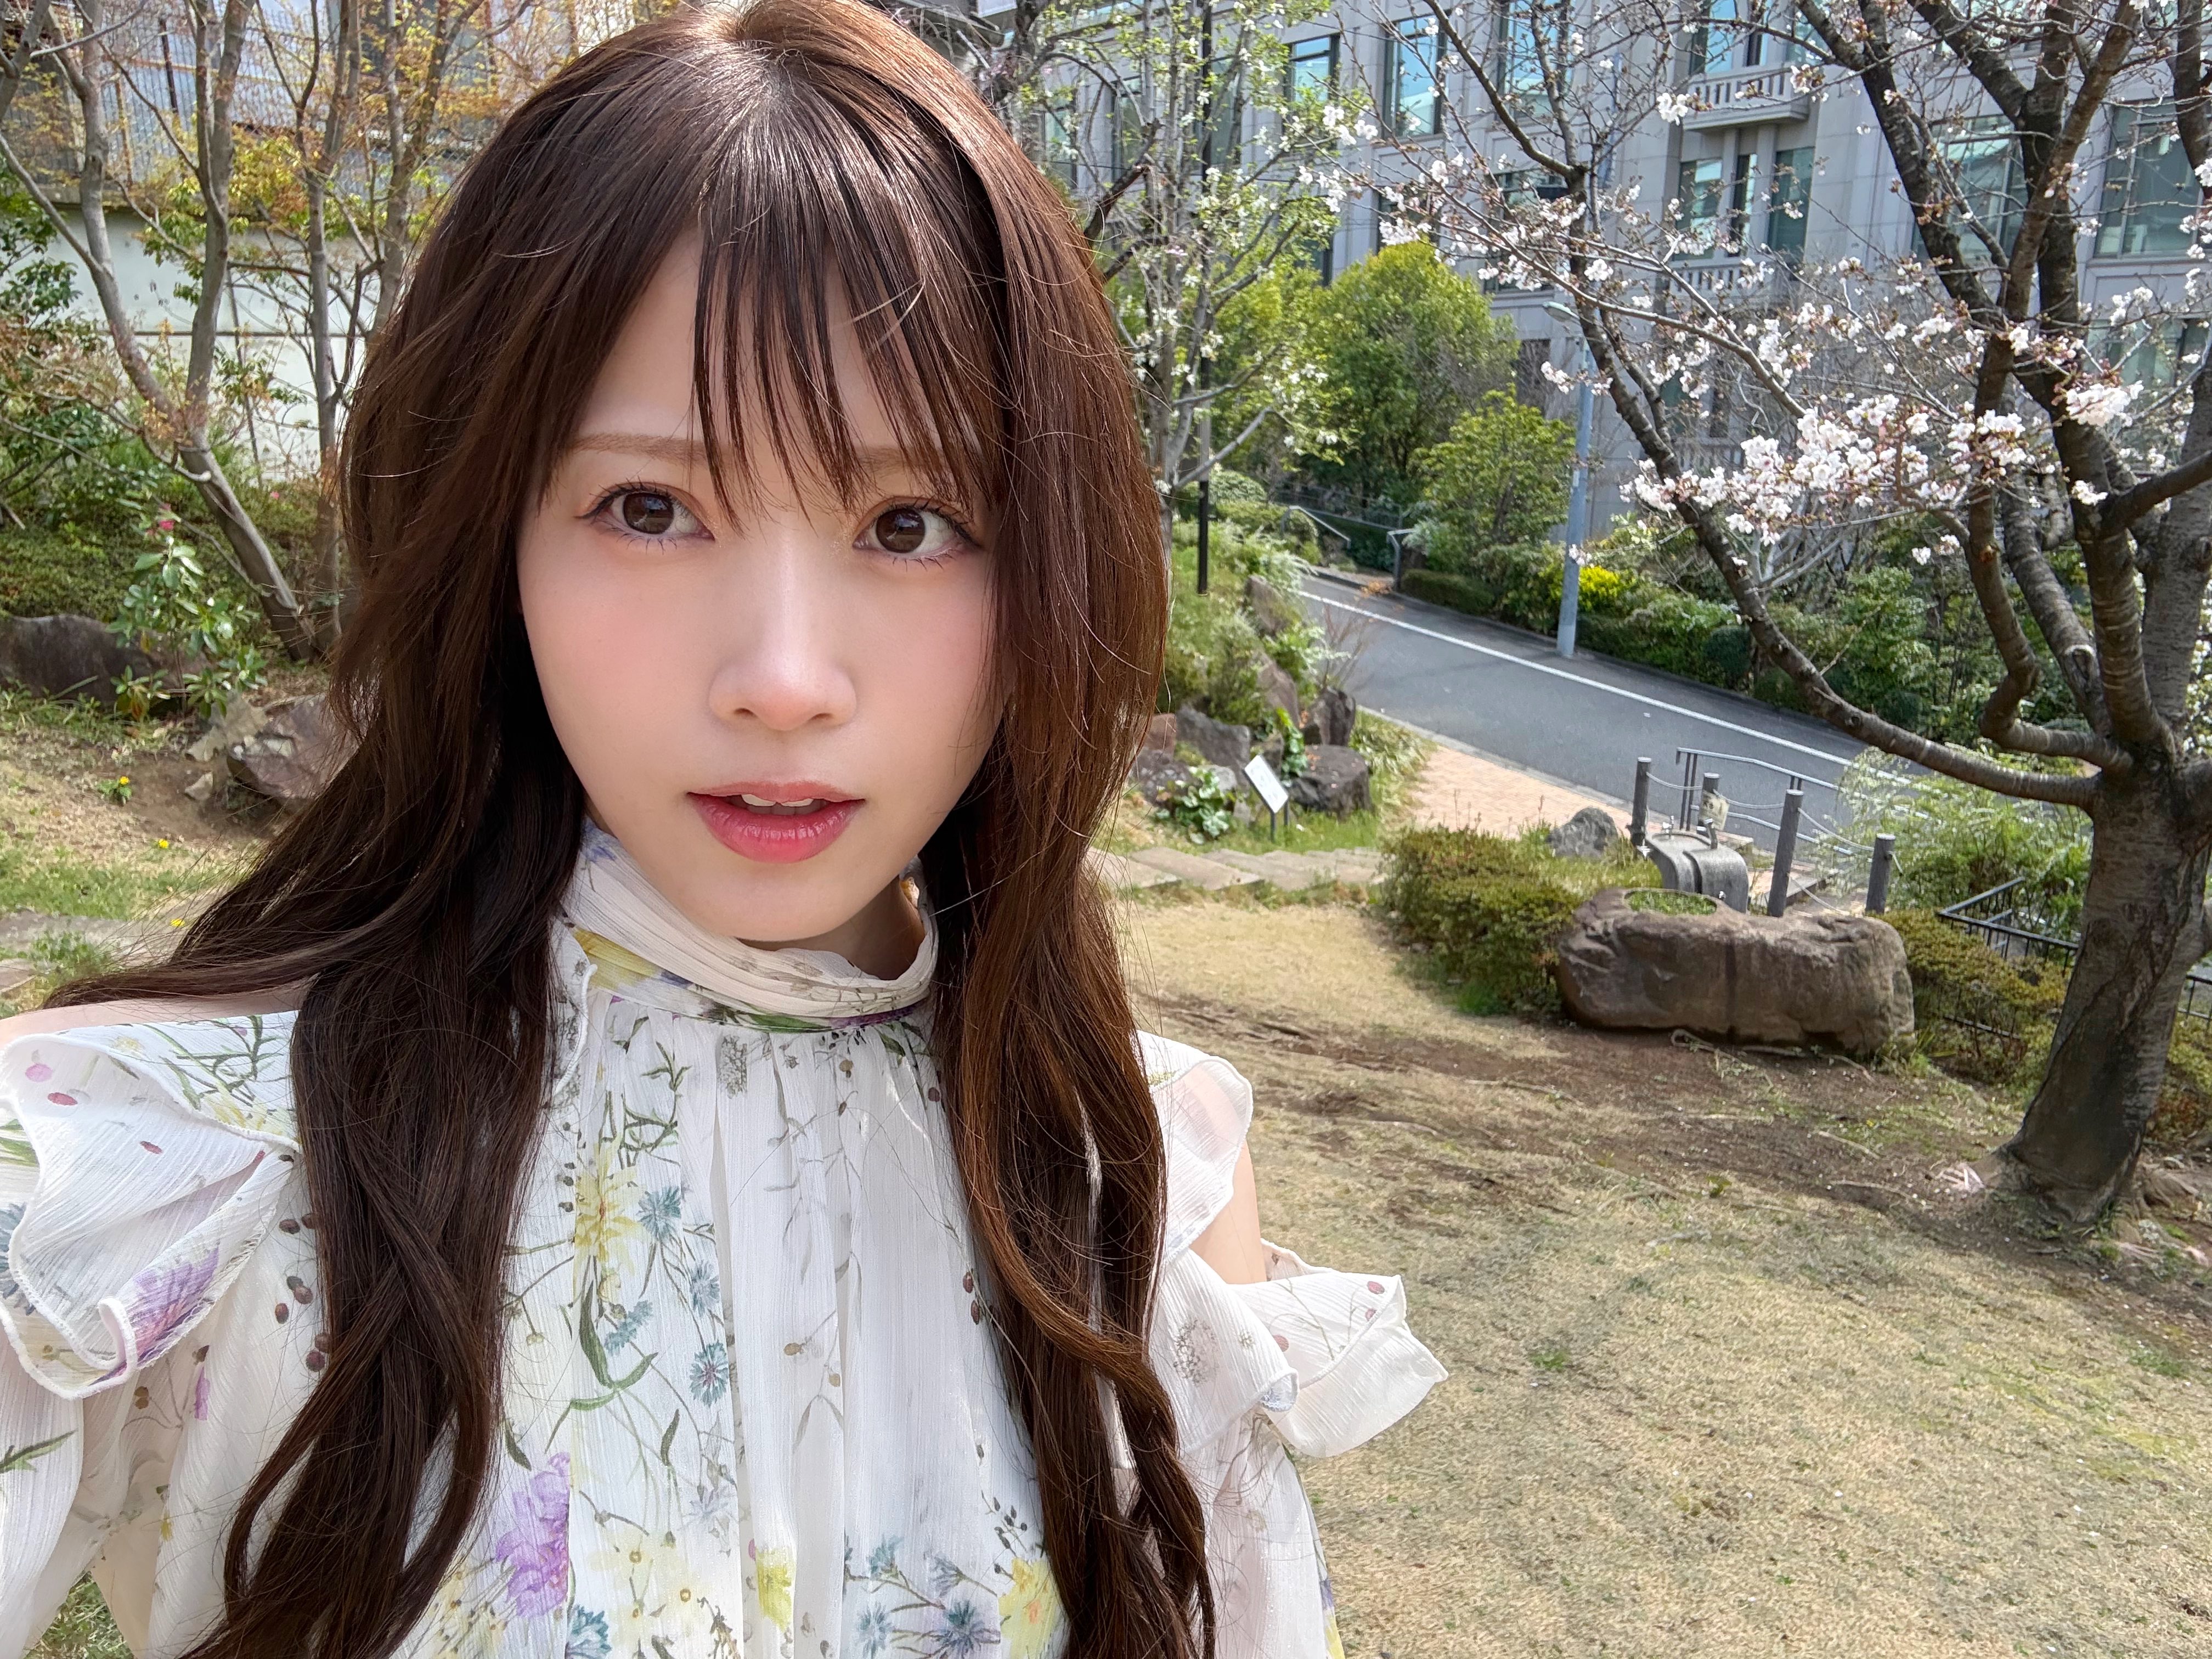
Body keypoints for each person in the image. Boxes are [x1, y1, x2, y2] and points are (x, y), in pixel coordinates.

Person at [0, 5, 1442, 1656]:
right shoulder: (175, 1161)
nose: (781, 680)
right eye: (650, 508)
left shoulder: (1139, 1175)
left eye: (911, 522)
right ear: (494, 539)